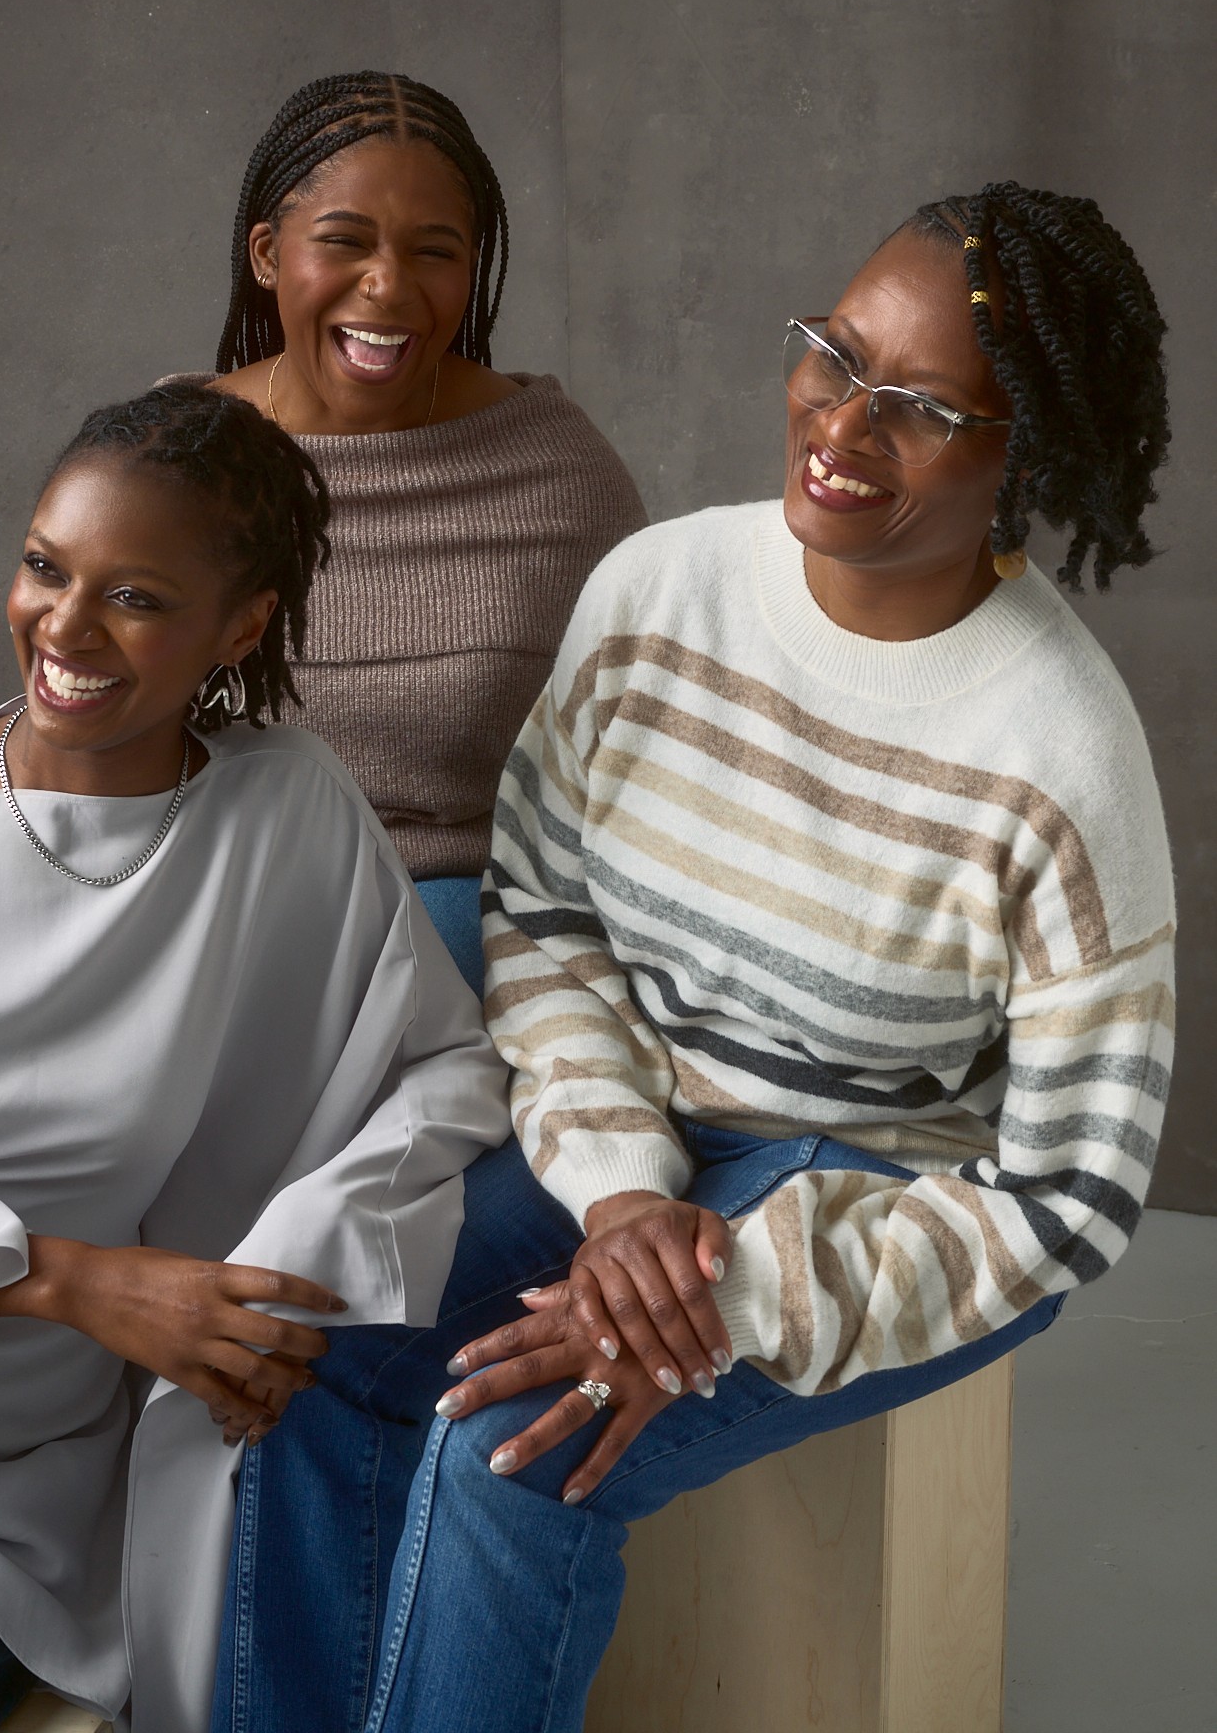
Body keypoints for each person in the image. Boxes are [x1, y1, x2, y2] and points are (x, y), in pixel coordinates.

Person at [213, 182, 1175, 1733]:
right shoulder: (661, 592)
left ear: (1023, 457)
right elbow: (547, 908)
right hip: (634, 1133)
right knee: (308, 1332)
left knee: (514, 1448)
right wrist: (626, 1193)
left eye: (922, 408)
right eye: (836, 356)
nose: (845, 427)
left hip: (865, 1184)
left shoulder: (1058, 752)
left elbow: (1073, 1190)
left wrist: (740, 1299)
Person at [0, 383, 510, 1733]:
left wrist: (283, 1272)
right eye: (47, 567)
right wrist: (75, 1281)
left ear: (240, 627)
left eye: (137, 598)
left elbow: (441, 1071)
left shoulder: (275, 820)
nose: (66, 628)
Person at [204, 70, 646, 993]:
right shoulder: (170, 465)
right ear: (265, 254)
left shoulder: (558, 476)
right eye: (344, 242)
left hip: (463, 915)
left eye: (434, 251)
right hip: (211, 899)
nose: (388, 285)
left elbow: (639, 767)